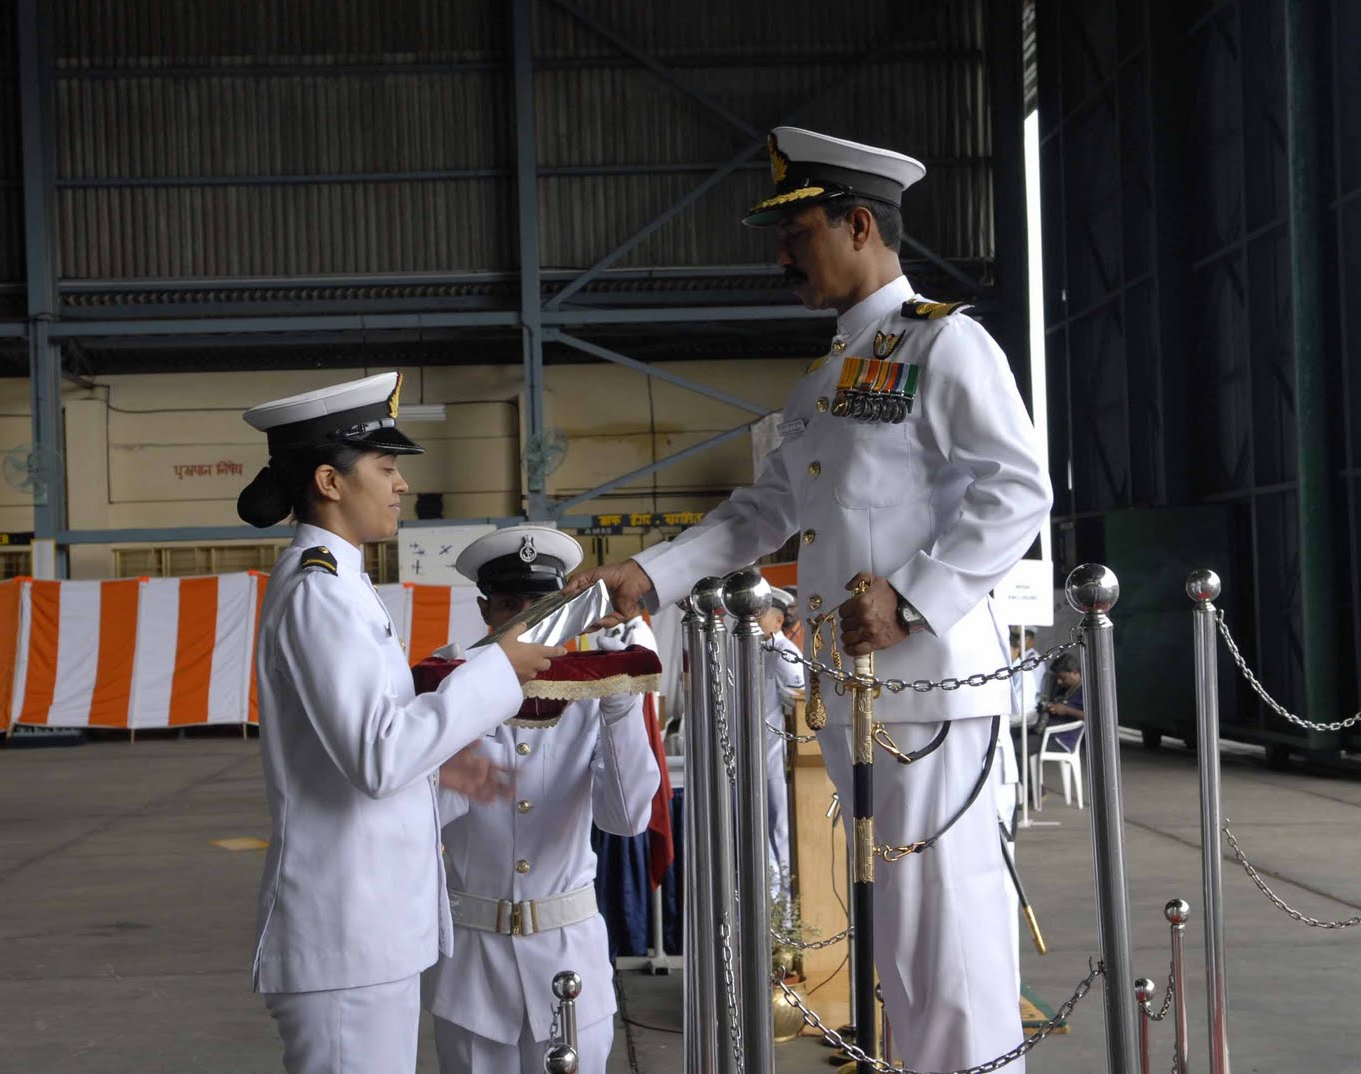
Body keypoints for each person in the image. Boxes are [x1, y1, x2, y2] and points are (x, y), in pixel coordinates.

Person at [568, 126, 1052, 1070]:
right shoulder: (827, 378)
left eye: (799, 231)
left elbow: (1020, 487)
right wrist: (650, 573)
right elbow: (766, 511)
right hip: (858, 700)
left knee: (949, 948)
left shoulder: (946, 344)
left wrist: (913, 598)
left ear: (860, 224)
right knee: (901, 953)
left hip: (932, 697)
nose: (782, 252)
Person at [237, 373, 567, 1074]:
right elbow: (380, 757)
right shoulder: (319, 590)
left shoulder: (343, 584)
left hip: (368, 930)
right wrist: (497, 666)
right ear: (330, 480)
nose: (400, 485)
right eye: (385, 468)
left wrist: (443, 771)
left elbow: (365, 749)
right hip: (346, 933)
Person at [423, 524, 659, 1072]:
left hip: (567, 957)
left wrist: (620, 703)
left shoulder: (587, 696)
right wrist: (467, 721)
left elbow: (627, 819)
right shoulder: (443, 690)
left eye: (541, 603)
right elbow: (421, 820)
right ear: (486, 610)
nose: (526, 620)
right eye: (510, 604)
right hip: (473, 966)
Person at [761, 586, 807, 896]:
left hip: (774, 753)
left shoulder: (783, 652)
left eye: (761, 613)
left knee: (780, 830)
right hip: (756, 751)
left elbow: (799, 701)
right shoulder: (755, 647)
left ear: (778, 621)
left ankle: (785, 909)